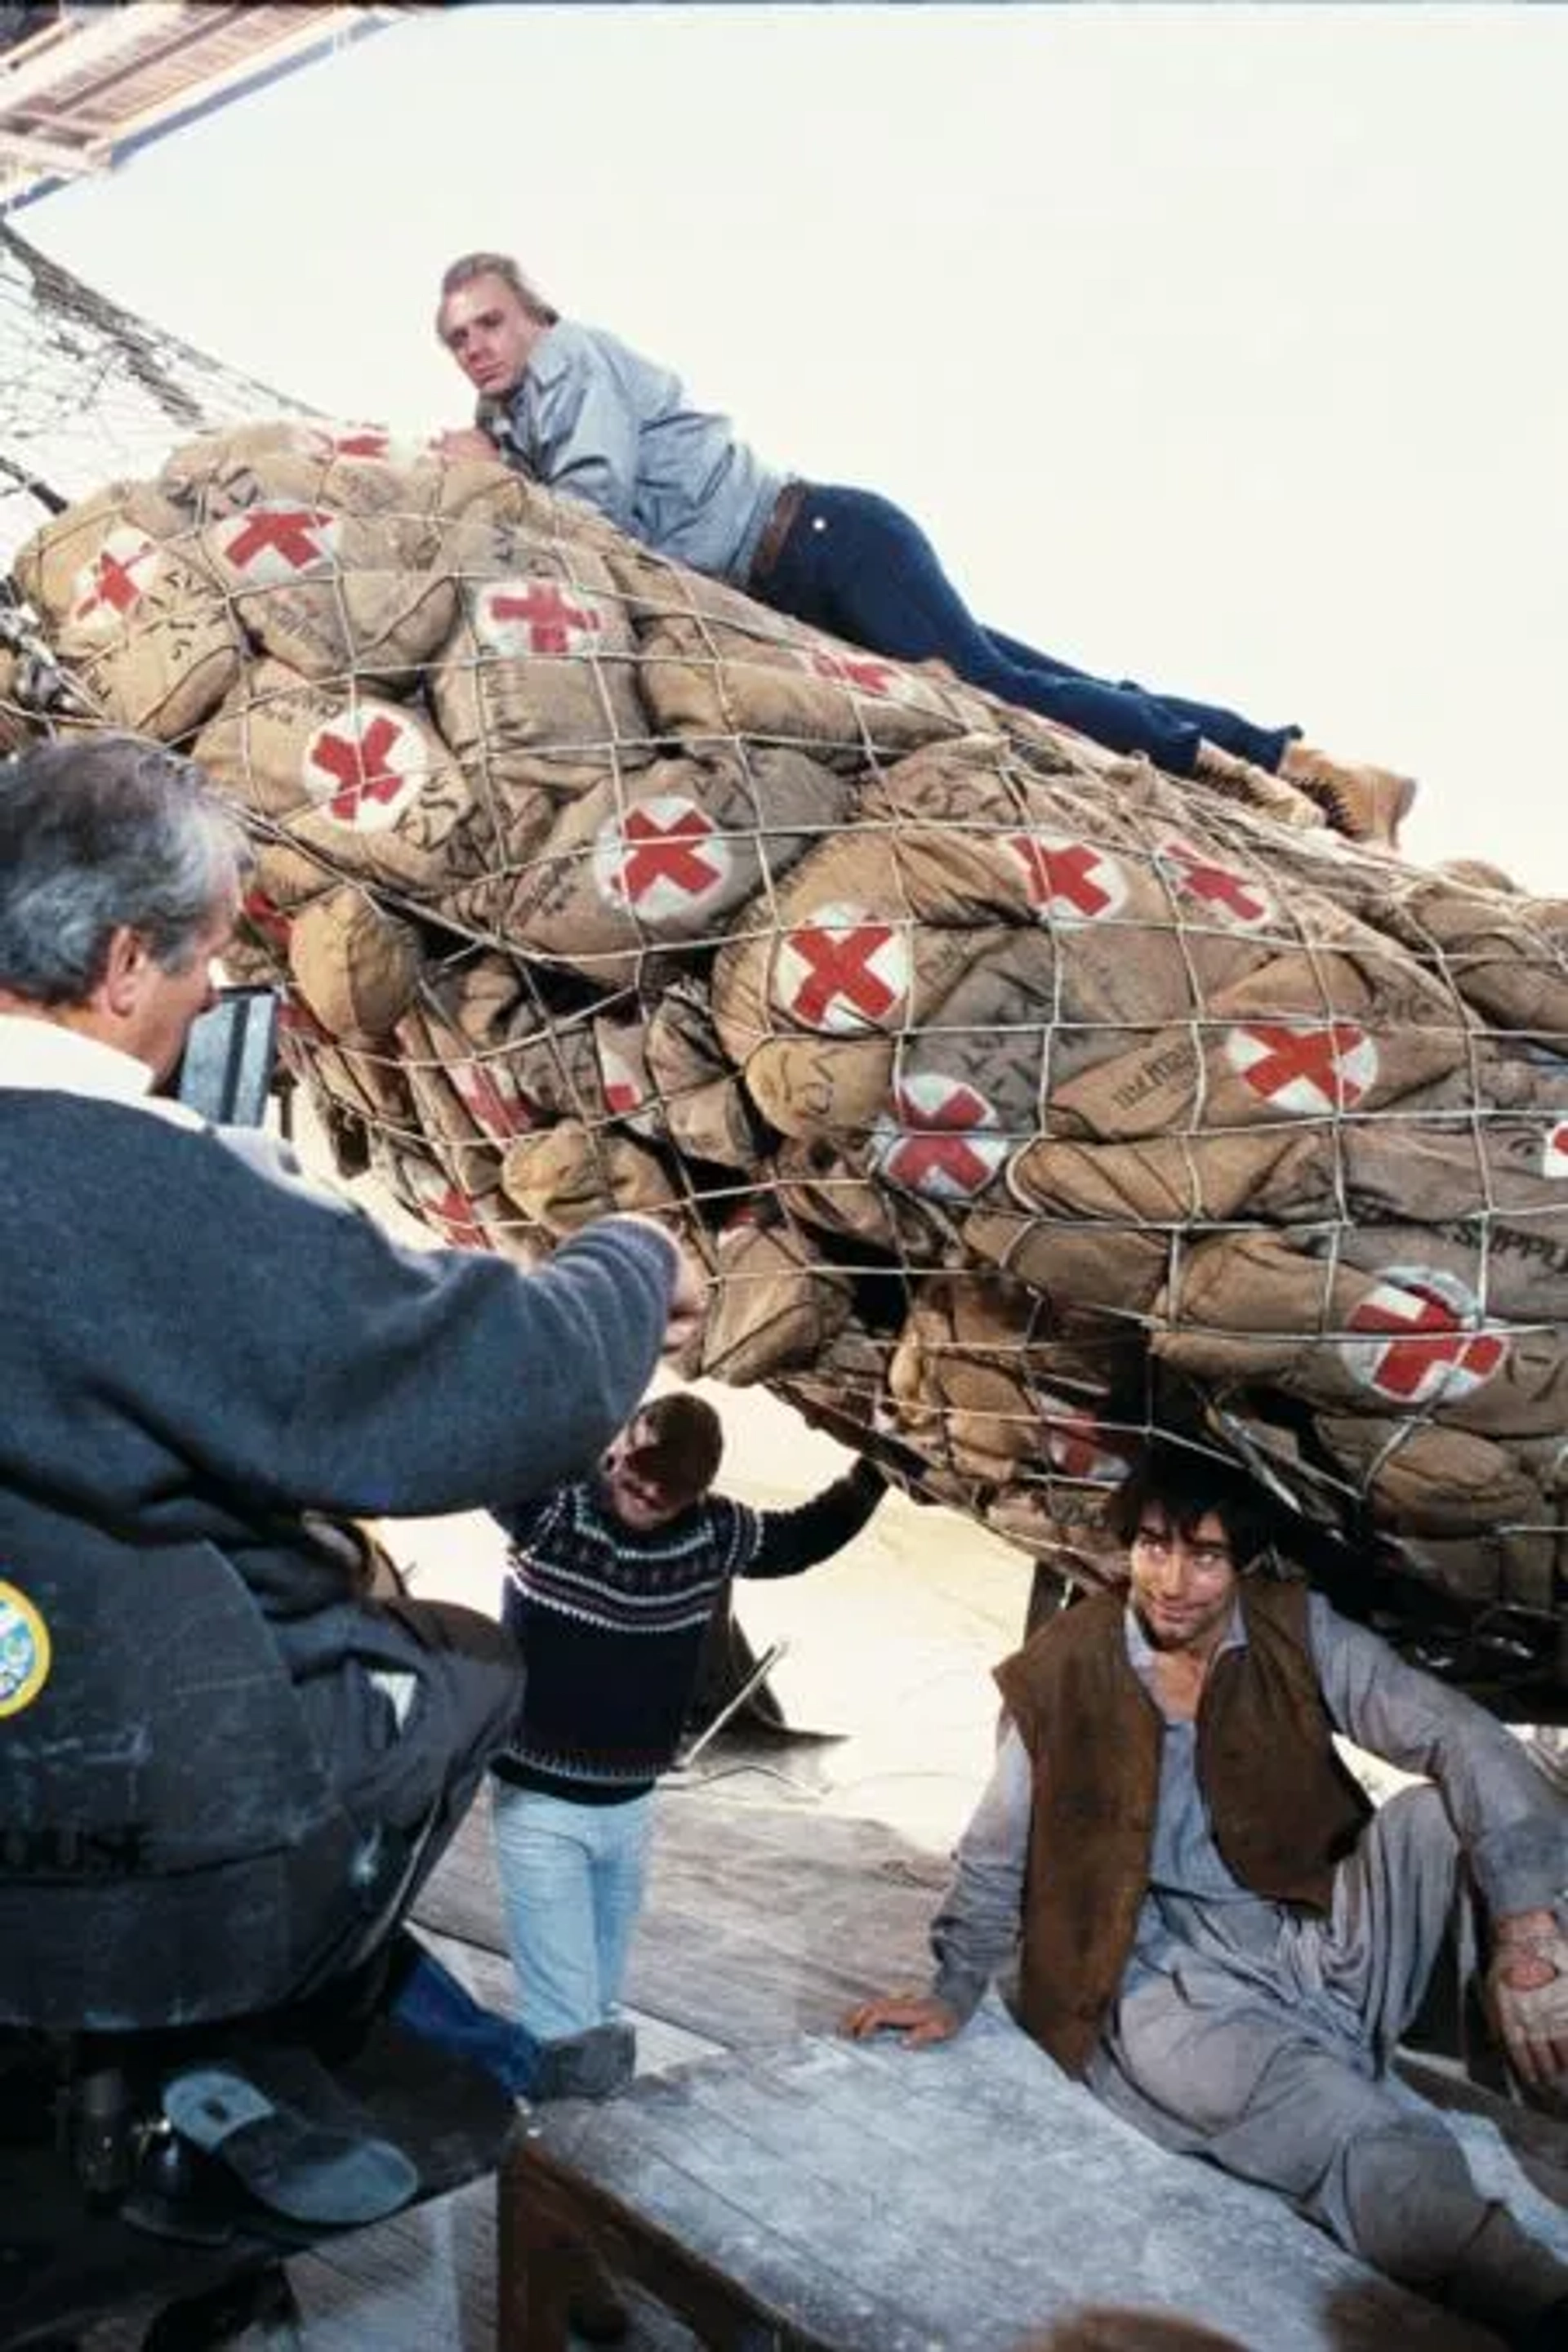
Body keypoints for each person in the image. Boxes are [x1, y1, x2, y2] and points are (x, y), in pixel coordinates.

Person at [0, 733, 703, 2066]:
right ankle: (305, 2028)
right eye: (204, 956)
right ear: (122, 965)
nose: (212, 997)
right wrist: (634, 1257)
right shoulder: (181, 1202)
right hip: (145, 1857)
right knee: (468, 1669)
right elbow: (513, 1393)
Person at [844, 1444, 1568, 2350]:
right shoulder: (1064, 1671)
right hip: (1164, 1984)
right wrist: (952, 1988)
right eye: (1153, 1547)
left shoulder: (1292, 1629)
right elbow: (996, 1852)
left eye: (1205, 1556)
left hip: (1307, 1940)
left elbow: (1459, 1734)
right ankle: (1533, 2295)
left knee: (1447, 1822)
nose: (1173, 1581)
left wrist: (1527, 1934)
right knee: (1354, 2130)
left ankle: (1550, 2053)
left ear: (1245, 1561)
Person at [433, 251, 1414, 849]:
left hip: (819, 543)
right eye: (457, 339)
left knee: (995, 694)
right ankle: (1301, 761)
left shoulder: (569, 366)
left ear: (538, 318)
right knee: (1031, 678)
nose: (476, 346)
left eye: (490, 321)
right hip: (805, 576)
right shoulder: (520, 420)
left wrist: (490, 476)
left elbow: (595, 512)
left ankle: (1262, 788)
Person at [490, 1391, 889, 2064]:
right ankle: (544, 2139)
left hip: (630, 1809)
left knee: (600, 2002)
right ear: (616, 1449)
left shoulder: (714, 1531)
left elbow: (803, 1537)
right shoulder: (553, 1511)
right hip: (538, 1810)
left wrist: (875, 1465)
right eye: (635, 1476)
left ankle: (573, 2124)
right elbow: (474, 1451)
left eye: (668, 1492)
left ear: (700, 1489)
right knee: (563, 2020)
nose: (645, 1496)